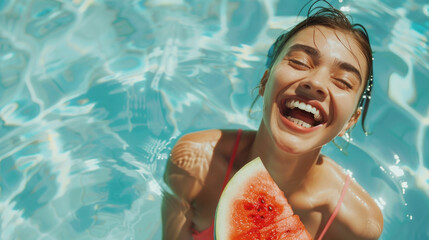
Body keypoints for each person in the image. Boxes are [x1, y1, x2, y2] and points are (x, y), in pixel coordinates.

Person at [162, 2, 383, 239]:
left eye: (343, 81)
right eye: (299, 62)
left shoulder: (356, 222)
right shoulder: (197, 163)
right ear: (265, 82)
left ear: (350, 121)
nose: (316, 83)